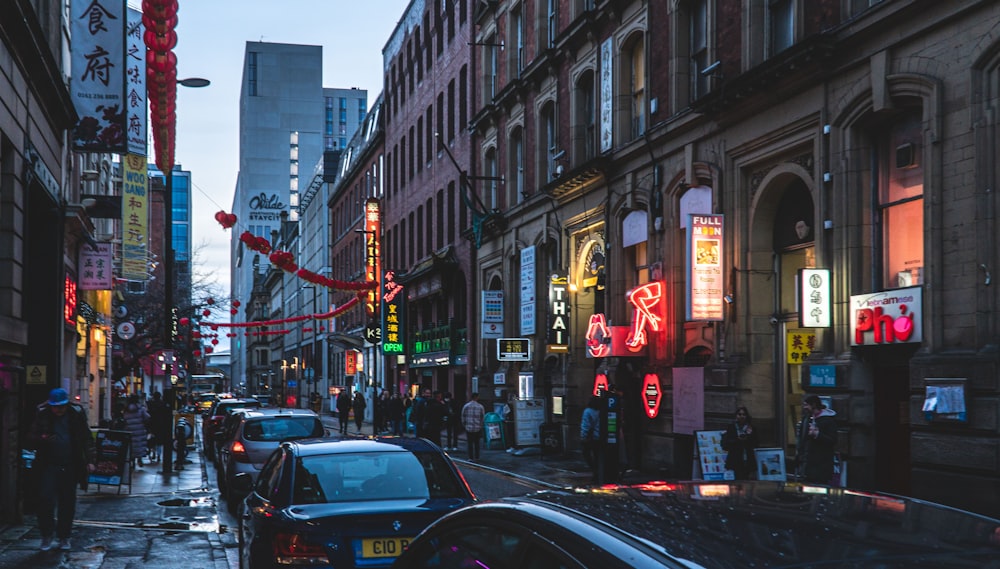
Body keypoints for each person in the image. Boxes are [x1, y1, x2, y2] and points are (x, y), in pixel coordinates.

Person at [27, 388, 96, 551]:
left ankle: (64, 536)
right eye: (55, 407)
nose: (58, 410)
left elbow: (86, 439)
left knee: (67, 502)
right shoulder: (43, 416)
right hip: (48, 464)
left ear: (66, 405)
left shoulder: (75, 417)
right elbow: (30, 437)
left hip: (70, 464)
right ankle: (47, 535)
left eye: (61, 406)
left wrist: (90, 460)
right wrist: (42, 439)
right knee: (45, 500)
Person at [796, 395, 838, 484]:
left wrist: (817, 435)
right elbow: (802, 441)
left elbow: (832, 440)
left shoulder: (828, 421)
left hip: (821, 466)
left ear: (814, 405)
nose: (804, 407)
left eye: (806, 405)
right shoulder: (806, 419)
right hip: (806, 466)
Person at [721, 406, 759, 480]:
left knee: (746, 479)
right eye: (739, 414)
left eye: (743, 414)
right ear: (736, 416)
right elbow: (726, 443)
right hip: (735, 458)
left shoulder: (751, 428)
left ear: (746, 416)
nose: (741, 416)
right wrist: (737, 439)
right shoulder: (731, 427)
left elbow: (756, 443)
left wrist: (748, 437)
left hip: (747, 459)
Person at [122, 394, 150, 468]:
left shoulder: (126, 410)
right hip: (140, 430)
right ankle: (140, 459)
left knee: (132, 446)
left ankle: (132, 461)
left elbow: (124, 419)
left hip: (129, 430)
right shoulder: (141, 409)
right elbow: (147, 417)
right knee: (139, 445)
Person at [146, 391, 172, 463]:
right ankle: (158, 455)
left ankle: (153, 453)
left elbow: (148, 414)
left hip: (152, 424)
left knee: (152, 440)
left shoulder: (150, 404)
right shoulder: (163, 404)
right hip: (161, 425)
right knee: (159, 442)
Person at [580, 396, 601, 482]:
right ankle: (598, 470)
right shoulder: (601, 411)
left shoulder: (588, 411)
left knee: (586, 453)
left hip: (590, 437)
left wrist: (583, 436)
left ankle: (595, 471)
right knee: (597, 455)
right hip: (600, 436)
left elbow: (586, 425)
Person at [460, 392, 485, 460]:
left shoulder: (466, 406)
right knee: (477, 443)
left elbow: (463, 416)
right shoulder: (480, 407)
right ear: (477, 397)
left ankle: (470, 457)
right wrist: (481, 425)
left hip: (469, 427)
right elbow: (482, 417)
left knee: (470, 443)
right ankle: (477, 457)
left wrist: (464, 424)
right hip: (477, 427)